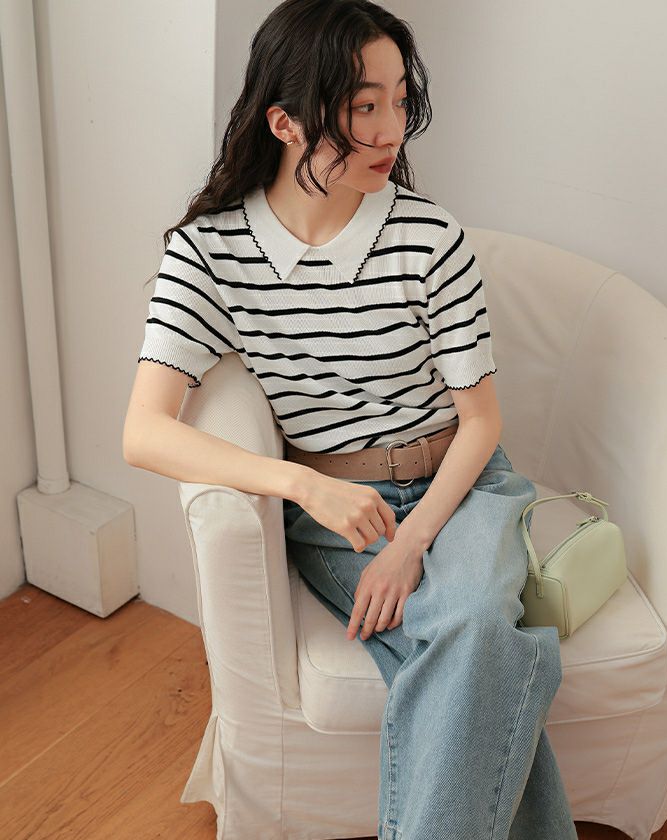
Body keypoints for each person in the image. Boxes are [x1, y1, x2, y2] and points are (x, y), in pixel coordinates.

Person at [123, 1, 577, 837]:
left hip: (464, 484)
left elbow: (481, 423)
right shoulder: (209, 253)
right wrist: (303, 487)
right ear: (286, 122)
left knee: (474, 625)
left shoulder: (431, 237)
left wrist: (409, 547)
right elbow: (145, 432)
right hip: (336, 513)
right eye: (364, 106)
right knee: (482, 656)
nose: (391, 129)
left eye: (400, 100)